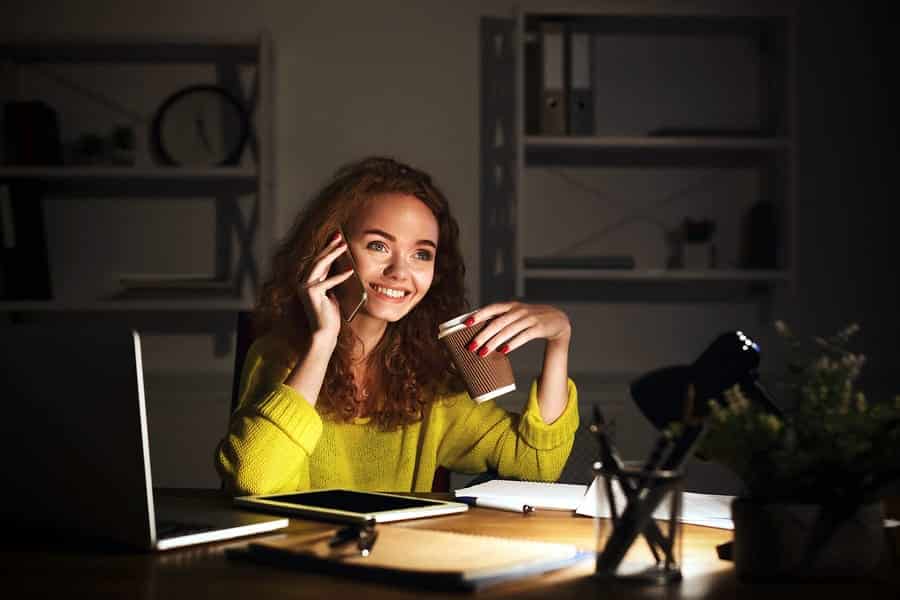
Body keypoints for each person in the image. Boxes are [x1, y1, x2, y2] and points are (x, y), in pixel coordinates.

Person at [215, 156, 578, 494]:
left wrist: (559, 338)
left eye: (422, 254)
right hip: (298, 560)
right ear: (332, 251)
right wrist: (323, 342)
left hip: (396, 559)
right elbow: (253, 479)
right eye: (378, 246)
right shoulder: (280, 355)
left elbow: (536, 464)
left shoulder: (426, 376)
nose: (400, 273)